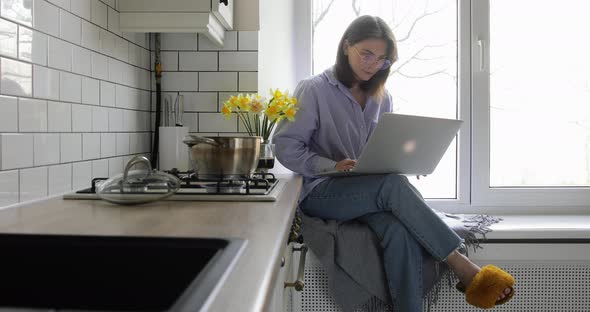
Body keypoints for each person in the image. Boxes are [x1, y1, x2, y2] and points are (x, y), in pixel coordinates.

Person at [273, 15, 515, 312]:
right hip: (322, 193)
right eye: (366, 54)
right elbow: (285, 146)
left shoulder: (381, 98)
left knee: (399, 231)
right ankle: (461, 264)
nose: (373, 65)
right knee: (392, 186)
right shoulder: (313, 89)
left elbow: (379, 151)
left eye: (382, 60)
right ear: (347, 46)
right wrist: (331, 165)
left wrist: (405, 161)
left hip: (367, 192)